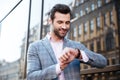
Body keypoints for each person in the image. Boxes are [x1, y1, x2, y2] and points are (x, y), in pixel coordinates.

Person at [27, 4, 107, 80]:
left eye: (67, 23)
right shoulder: (35, 47)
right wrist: (59, 67)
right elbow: (31, 77)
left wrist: (78, 54)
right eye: (60, 22)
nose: (64, 27)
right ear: (50, 21)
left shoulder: (75, 46)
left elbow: (103, 62)